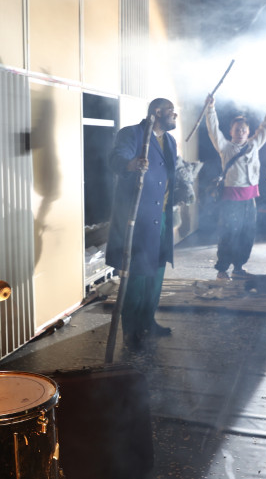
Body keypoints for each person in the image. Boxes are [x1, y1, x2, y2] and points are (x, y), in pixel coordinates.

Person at [105, 98, 178, 349]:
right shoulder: (132, 134)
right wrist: (130, 164)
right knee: (136, 275)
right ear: (156, 112)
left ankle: (148, 321)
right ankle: (131, 330)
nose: (174, 115)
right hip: (139, 217)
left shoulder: (170, 141)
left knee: (156, 273)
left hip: (162, 217)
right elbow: (116, 159)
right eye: (170, 112)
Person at [205, 90, 266, 281]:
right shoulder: (225, 147)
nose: (240, 133)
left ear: (248, 132)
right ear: (231, 132)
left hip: (250, 200)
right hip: (231, 200)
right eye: (237, 130)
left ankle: (238, 267)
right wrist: (210, 108)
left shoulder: (253, 145)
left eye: (243, 130)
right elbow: (213, 129)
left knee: (247, 236)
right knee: (228, 235)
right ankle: (222, 270)